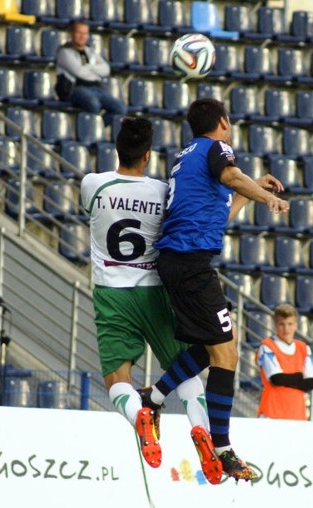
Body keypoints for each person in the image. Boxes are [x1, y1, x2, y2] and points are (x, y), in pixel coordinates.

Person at [147, 97, 289, 482]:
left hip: (180, 262)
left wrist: (249, 190)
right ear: (223, 122)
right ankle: (223, 449)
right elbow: (229, 175)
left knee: (215, 347)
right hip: (190, 263)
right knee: (227, 350)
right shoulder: (216, 148)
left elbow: (219, 212)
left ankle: (153, 399)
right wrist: (268, 197)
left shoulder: (187, 157)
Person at [80, 116, 221, 485]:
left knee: (117, 378)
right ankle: (202, 431)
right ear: (147, 156)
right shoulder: (161, 192)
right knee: (186, 368)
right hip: (156, 289)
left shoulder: (93, 185)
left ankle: (138, 417)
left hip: (112, 292)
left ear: (117, 149)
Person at [55, 20, 126, 125]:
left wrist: (88, 66)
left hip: (96, 88)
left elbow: (106, 70)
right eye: (79, 33)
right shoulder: (64, 52)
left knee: (120, 108)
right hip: (75, 89)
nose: (82, 36)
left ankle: (98, 128)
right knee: (93, 104)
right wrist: (95, 67)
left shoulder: (90, 50)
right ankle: (89, 131)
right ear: (72, 33)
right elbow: (79, 72)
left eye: (85, 33)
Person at [256, 303, 313, 420]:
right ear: (275, 325)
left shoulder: (304, 348)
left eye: (290, 324)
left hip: (297, 413)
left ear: (296, 325)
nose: (286, 329)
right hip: (271, 412)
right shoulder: (267, 346)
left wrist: (286, 379)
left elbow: (311, 383)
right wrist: (299, 376)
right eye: (281, 324)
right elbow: (276, 379)